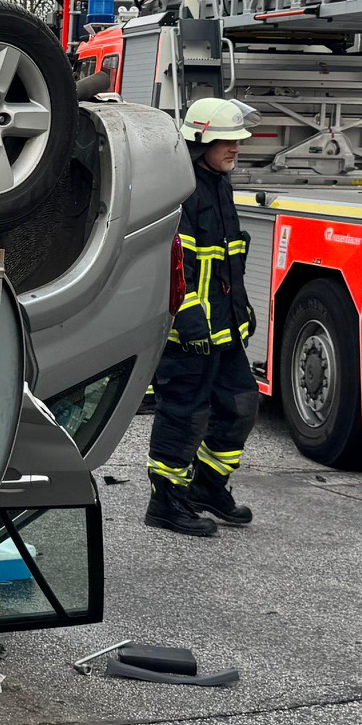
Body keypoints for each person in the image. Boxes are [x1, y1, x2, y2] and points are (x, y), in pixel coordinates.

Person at [146, 97, 258, 538]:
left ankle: (208, 488)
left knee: (240, 407)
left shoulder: (219, 182)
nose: (235, 148)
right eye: (227, 140)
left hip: (222, 330)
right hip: (190, 333)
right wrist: (188, 321)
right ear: (200, 141)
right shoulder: (183, 188)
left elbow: (227, 259)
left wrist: (240, 311)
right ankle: (166, 503)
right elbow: (174, 262)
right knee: (184, 416)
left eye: (237, 140)